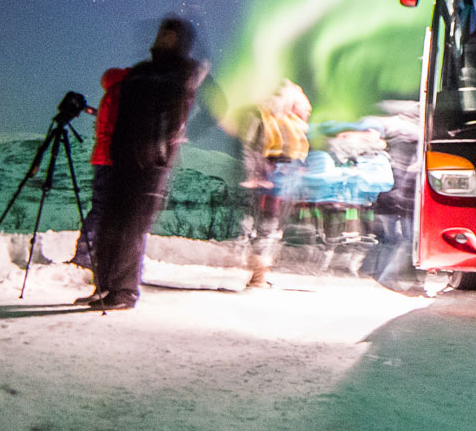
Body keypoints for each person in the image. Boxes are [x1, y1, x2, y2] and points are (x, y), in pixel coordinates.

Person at [80, 15, 210, 311]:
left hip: (154, 161)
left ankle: (124, 291)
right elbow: (124, 113)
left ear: (183, 40)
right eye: (164, 32)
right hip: (122, 155)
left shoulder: (187, 71)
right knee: (110, 222)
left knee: (131, 226)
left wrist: (180, 136)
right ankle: (103, 286)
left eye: (173, 34)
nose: (165, 37)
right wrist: (114, 147)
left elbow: (218, 106)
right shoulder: (140, 72)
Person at [240, 80, 310, 289]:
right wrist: (257, 174)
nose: (304, 110)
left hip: (279, 182)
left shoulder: (285, 121)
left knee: (270, 228)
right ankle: (257, 275)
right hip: (271, 182)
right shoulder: (267, 117)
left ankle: (260, 273)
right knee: (266, 228)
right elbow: (252, 148)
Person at [70, 65, 127, 272]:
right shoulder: (123, 95)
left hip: (102, 158)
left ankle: (90, 254)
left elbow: (106, 118)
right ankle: (86, 256)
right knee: (104, 210)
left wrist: (88, 110)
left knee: (101, 208)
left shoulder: (111, 94)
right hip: (113, 160)